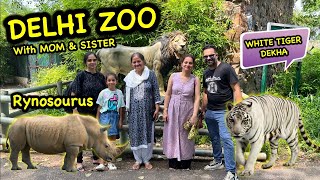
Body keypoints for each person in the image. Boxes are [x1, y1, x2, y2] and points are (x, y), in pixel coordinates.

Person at [201, 44, 242, 180]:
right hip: (210, 111)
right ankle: (218, 161)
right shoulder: (206, 73)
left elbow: (236, 89)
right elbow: (206, 92)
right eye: (206, 56)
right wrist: (203, 110)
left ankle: (232, 172)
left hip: (224, 111)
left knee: (226, 139)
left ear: (216, 55)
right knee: (214, 138)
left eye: (211, 55)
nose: (208, 58)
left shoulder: (225, 68)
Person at [124, 52, 161, 170]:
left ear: (143, 61)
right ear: (131, 64)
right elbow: (126, 95)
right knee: (135, 135)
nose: (136, 64)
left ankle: (146, 160)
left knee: (147, 133)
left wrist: (157, 107)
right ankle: (137, 160)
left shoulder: (150, 75)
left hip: (147, 111)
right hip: (133, 112)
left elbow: (156, 91)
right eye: (134, 62)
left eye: (138, 61)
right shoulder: (129, 77)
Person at [162, 54, 200, 169]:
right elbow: (168, 94)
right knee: (172, 134)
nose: (187, 65)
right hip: (173, 109)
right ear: (181, 64)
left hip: (187, 110)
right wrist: (165, 110)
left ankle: (185, 161)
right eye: (185, 62)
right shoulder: (173, 76)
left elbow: (197, 97)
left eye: (190, 63)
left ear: (193, 65)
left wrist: (194, 115)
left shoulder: (195, 79)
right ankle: (173, 160)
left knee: (185, 136)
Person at [71, 52, 107, 172]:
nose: (92, 62)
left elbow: (104, 94)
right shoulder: (81, 75)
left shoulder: (101, 77)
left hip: (96, 110)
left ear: (97, 61)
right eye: (89, 60)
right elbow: (73, 94)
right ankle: (79, 161)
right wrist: (74, 109)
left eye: (94, 60)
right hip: (82, 110)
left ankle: (96, 157)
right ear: (85, 62)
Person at [94, 73, 125, 171]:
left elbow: (121, 107)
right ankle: (102, 162)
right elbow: (99, 108)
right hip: (104, 116)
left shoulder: (119, 93)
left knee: (112, 140)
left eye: (113, 80)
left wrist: (120, 120)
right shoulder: (103, 93)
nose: (111, 82)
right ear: (106, 82)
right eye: (109, 80)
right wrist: (97, 120)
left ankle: (111, 162)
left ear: (116, 81)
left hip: (114, 116)